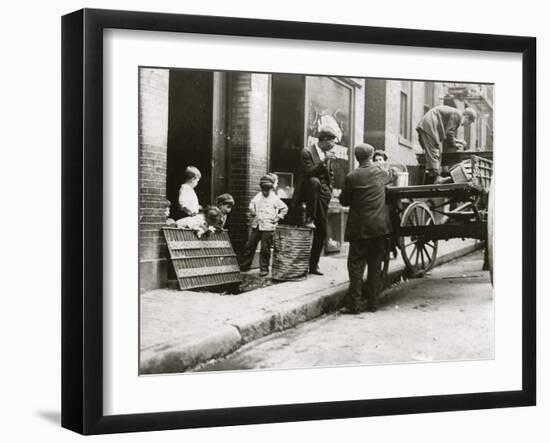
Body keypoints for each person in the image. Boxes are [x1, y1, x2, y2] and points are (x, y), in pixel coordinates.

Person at [339, 143, 395, 314]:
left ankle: (354, 305)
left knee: (355, 266)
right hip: (379, 228)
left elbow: (344, 201)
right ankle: (373, 303)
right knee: (375, 265)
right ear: (371, 157)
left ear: (356, 158)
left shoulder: (351, 177)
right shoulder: (382, 173)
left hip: (359, 229)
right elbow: (391, 178)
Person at [292, 126, 337, 276]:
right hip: (308, 193)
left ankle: (313, 265)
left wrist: (330, 189)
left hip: (323, 196)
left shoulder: (327, 154)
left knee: (322, 230)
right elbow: (309, 172)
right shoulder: (307, 152)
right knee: (314, 181)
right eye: (332, 142)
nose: (334, 145)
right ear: (323, 140)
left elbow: (330, 174)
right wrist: (324, 161)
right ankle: (310, 217)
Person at [240, 174, 288, 277]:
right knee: (250, 245)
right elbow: (252, 203)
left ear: (271, 188)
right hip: (257, 225)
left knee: (265, 249)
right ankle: (245, 266)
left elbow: (284, 208)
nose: (265, 191)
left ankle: (264, 269)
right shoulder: (258, 195)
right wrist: (252, 209)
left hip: (268, 227)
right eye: (263, 189)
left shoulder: (275, 198)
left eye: (267, 189)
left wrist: (278, 217)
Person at [416, 106, 477, 184]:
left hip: (429, 125)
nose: (467, 125)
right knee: (434, 151)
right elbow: (449, 133)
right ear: (467, 117)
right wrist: (455, 144)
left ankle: (431, 177)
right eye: (470, 123)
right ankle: (436, 178)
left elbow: (448, 133)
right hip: (430, 125)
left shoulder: (455, 114)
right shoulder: (457, 115)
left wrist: (458, 142)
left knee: (436, 152)